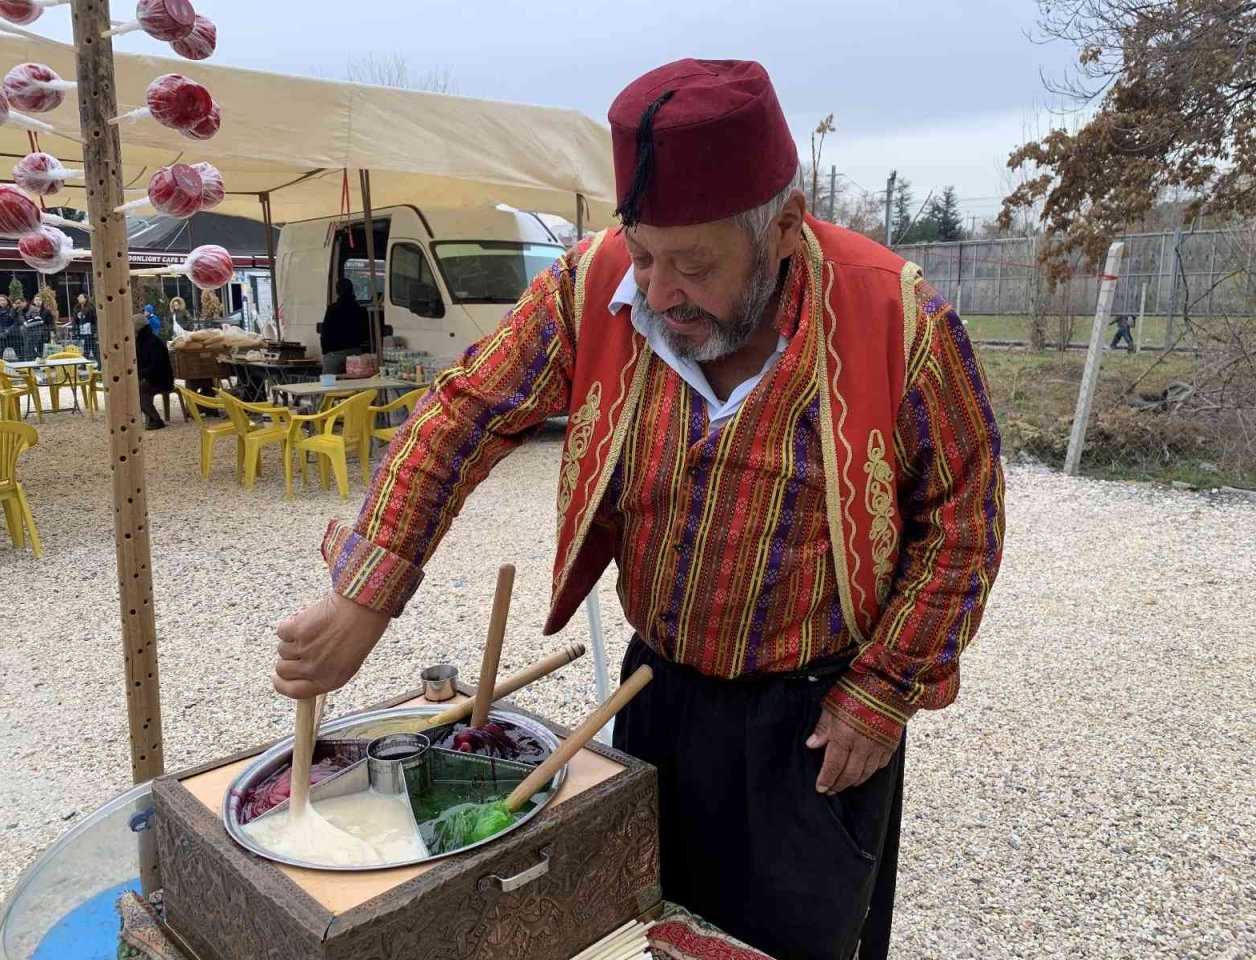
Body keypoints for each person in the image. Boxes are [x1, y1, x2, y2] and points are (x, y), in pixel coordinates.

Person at [273, 60, 1004, 960]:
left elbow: (963, 524)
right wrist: (364, 596)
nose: (655, 294)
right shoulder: (596, 285)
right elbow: (465, 411)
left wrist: (885, 691)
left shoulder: (901, 320)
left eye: (691, 265)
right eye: (645, 253)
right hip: (654, 692)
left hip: (818, 720)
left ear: (782, 225)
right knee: (636, 928)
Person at [319, 277, 371, 374]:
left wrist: (325, 351)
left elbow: (325, 332)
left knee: (329, 385)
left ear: (337, 291)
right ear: (352, 290)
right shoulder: (358, 310)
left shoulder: (332, 309)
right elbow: (364, 332)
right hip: (355, 353)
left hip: (334, 354)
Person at [134, 312, 173, 430]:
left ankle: (156, 419)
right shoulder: (144, 341)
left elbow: (155, 367)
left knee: (138, 389)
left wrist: (139, 374)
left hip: (161, 379)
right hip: (153, 377)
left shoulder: (152, 343)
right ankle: (148, 417)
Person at [23, 293, 54, 358]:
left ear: (42, 302)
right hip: (32, 334)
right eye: (36, 300)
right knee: (31, 350)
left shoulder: (46, 311)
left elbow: (51, 323)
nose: (38, 301)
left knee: (43, 350)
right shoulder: (29, 311)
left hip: (44, 334)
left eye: (39, 300)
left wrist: (50, 331)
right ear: (33, 301)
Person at [0, 293, 18, 358]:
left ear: (7, 301)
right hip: (1, 335)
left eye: (4, 300)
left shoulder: (12, 309)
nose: (2, 302)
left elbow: (15, 322)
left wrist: (9, 330)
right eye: (0, 300)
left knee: (19, 352)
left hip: (12, 335)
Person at [74, 293, 98, 359]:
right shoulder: (77, 308)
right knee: (92, 347)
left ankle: (84, 363)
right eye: (78, 297)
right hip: (82, 330)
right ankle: (99, 363)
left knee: (88, 347)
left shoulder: (90, 308)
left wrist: (94, 329)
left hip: (89, 330)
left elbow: (94, 319)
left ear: (85, 299)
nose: (79, 298)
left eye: (81, 297)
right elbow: (76, 320)